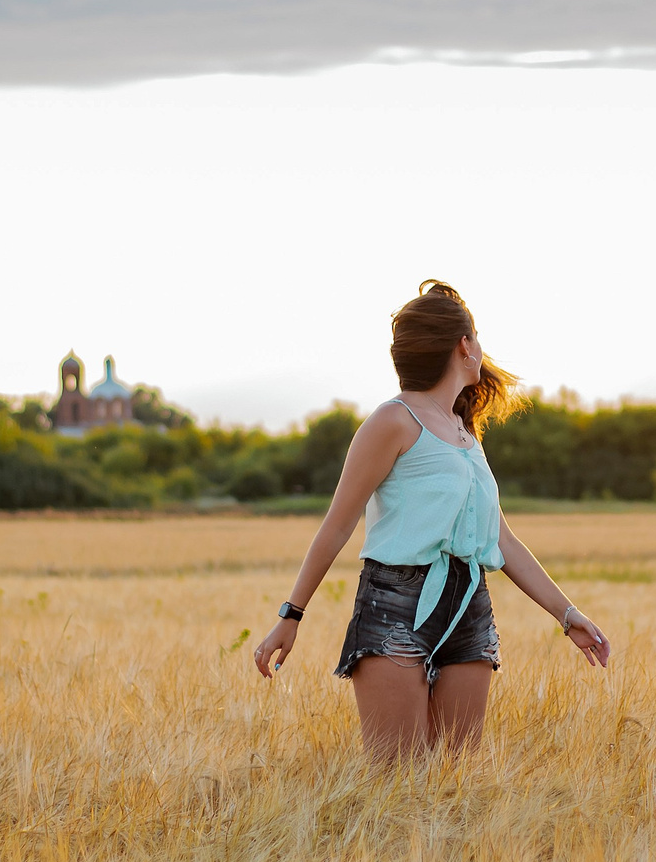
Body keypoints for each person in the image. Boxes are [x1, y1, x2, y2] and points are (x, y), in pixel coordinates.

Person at [250, 281, 613, 756]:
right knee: (398, 780)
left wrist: (568, 615)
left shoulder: (466, 434)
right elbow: (337, 525)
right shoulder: (393, 421)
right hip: (396, 605)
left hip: (469, 606)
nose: (481, 347)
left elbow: (502, 541)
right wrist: (291, 615)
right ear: (464, 346)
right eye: (476, 336)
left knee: (454, 778)